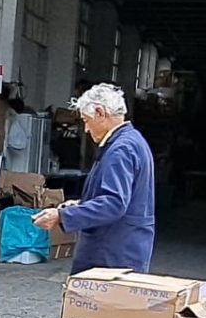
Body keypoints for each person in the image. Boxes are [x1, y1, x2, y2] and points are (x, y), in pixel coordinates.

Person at [33, 82, 154, 273]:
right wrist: (81, 205)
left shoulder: (121, 149)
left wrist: (62, 216)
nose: (86, 129)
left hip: (112, 255)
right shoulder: (131, 141)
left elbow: (114, 203)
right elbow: (121, 197)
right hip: (123, 249)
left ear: (100, 113)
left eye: (86, 120)